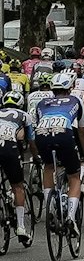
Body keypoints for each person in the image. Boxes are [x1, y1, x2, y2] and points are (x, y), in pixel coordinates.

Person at [30, 70, 84, 232]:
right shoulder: (76, 100)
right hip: (64, 133)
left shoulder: (42, 103)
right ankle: (71, 217)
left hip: (42, 134)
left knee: (48, 167)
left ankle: (50, 208)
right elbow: (82, 132)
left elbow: (38, 124)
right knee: (74, 176)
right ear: (70, 87)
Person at [0, 89, 30, 247]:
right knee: (18, 186)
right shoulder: (23, 115)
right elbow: (24, 138)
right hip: (9, 148)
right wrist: (36, 156)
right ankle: (20, 226)